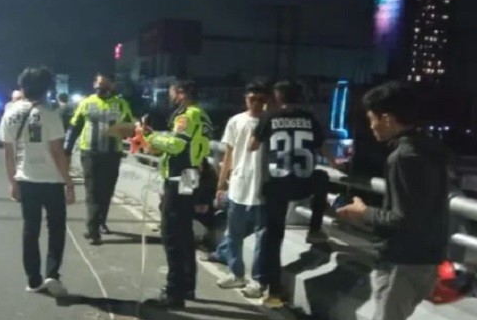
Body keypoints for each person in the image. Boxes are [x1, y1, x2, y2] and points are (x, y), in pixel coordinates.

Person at [336, 81, 449, 320]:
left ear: (387, 118)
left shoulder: (403, 157)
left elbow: (402, 219)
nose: (370, 126)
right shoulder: (428, 148)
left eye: (372, 119)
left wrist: (362, 213)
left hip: (403, 260)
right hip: (426, 256)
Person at [249, 81, 336, 307]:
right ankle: (315, 229)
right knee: (322, 178)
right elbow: (322, 147)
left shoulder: (270, 117)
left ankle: (274, 291)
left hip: (277, 184)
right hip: (304, 183)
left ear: (278, 96)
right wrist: (336, 164)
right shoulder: (310, 118)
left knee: (273, 238)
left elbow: (252, 146)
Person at [0, 67, 76, 297]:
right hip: (52, 182)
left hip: (26, 180)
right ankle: (52, 274)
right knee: (56, 228)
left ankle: (33, 280)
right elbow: (57, 152)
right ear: (46, 89)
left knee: (30, 230)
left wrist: (12, 182)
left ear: (23, 87)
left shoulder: (10, 114)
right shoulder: (51, 114)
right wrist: (69, 182)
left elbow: (8, 153)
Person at [141, 80, 213, 308]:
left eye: (172, 92)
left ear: (181, 93)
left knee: (172, 235)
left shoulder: (186, 116)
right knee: (184, 233)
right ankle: (187, 285)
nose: (170, 96)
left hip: (178, 177)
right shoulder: (202, 114)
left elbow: (176, 145)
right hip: (191, 175)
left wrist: (150, 137)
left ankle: (174, 292)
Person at [214, 81, 272, 293]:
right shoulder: (236, 121)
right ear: (245, 99)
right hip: (238, 184)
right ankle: (236, 273)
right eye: (251, 99)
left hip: (263, 187)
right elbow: (228, 154)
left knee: (261, 237)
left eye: (260, 100)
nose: (256, 104)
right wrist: (221, 184)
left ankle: (257, 279)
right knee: (234, 233)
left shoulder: (271, 122)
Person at [64, 73, 134, 245]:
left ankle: (99, 221)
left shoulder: (121, 104)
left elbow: (130, 129)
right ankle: (93, 230)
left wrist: (135, 132)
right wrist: (67, 147)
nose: (99, 87)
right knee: (93, 191)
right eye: (97, 83)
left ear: (112, 85)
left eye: (103, 84)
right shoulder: (86, 103)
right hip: (90, 153)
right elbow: (74, 126)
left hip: (112, 154)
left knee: (107, 191)